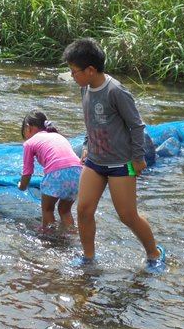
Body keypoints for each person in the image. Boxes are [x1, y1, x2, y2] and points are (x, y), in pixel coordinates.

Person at [62, 38, 165, 272]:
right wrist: (87, 145)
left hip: (122, 164)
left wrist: (139, 159)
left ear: (90, 70)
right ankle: (88, 257)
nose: (72, 76)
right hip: (96, 161)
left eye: (73, 71)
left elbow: (136, 126)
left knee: (127, 215)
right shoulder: (84, 88)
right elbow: (90, 121)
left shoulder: (116, 91)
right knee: (84, 210)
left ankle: (154, 254)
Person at [17, 111, 83, 231]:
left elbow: (27, 172)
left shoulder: (29, 143)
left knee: (48, 210)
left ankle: (51, 241)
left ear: (28, 128)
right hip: (79, 173)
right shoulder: (58, 136)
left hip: (56, 174)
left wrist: (21, 186)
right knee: (65, 211)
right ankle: (71, 237)